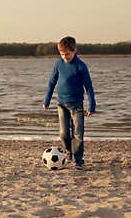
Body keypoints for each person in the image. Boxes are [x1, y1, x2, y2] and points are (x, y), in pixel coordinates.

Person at [43, 36, 96, 170]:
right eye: (62, 54)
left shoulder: (80, 66)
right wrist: (47, 100)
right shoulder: (58, 64)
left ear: (74, 51)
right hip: (61, 104)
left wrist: (92, 105)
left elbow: (88, 86)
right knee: (63, 133)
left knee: (78, 134)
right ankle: (69, 153)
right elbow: (52, 82)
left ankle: (79, 161)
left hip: (77, 105)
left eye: (67, 54)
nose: (65, 57)